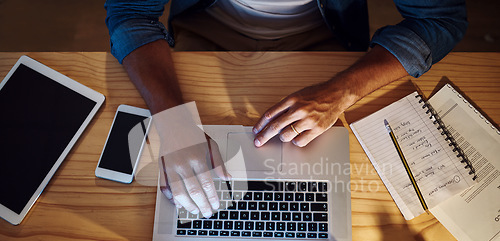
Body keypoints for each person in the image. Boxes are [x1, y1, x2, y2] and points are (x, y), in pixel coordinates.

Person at [104, 0, 468, 218]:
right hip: (204, 30)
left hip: (327, 36)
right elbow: (131, 12)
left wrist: (344, 91)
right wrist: (174, 121)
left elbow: (440, 20)